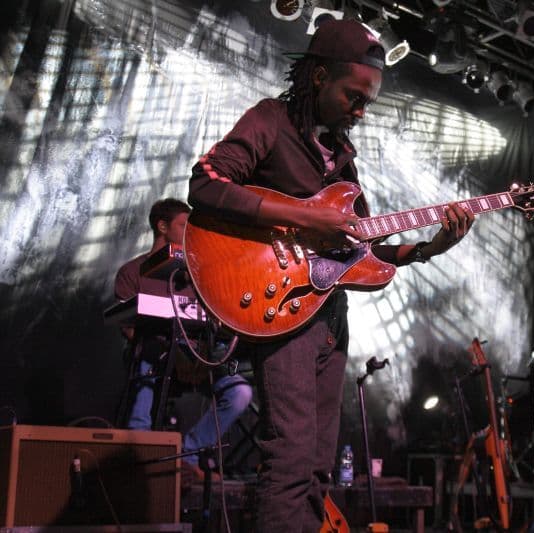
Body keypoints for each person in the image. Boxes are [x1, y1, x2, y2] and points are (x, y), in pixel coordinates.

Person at [186, 18, 474, 532]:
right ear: (320, 76)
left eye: (368, 102)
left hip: (329, 316)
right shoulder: (270, 120)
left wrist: (432, 247)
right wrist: (304, 216)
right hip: (280, 308)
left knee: (319, 466)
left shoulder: (344, 162)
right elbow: (205, 184)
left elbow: (365, 251)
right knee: (290, 459)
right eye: (354, 96)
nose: (361, 111)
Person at [114, 198, 253, 481]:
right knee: (146, 357)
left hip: (196, 357)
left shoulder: (196, 276)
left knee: (240, 393)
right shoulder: (132, 272)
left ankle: (185, 455)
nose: (190, 232)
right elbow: (127, 327)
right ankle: (141, 456)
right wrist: (162, 344)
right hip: (156, 355)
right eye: (183, 225)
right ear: (162, 227)